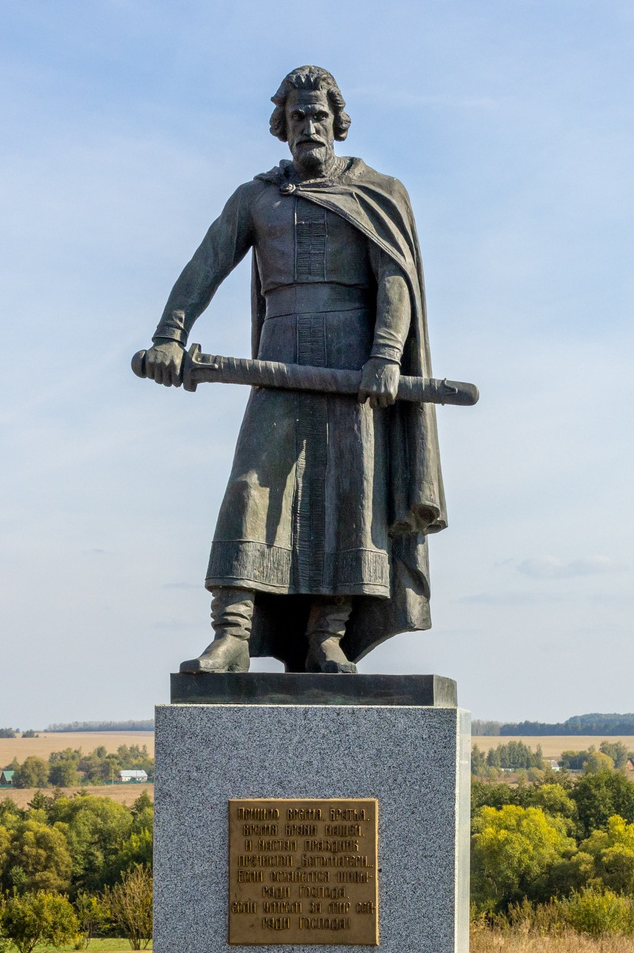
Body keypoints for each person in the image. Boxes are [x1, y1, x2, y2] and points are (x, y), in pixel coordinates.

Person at [140, 65, 447, 675]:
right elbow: (205, 267)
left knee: (349, 496)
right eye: (298, 116)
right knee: (251, 486)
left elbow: (395, 277)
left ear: (338, 122)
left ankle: (327, 635)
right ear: (282, 126)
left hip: (353, 364)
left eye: (319, 116)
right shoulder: (256, 198)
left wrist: (387, 352)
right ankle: (232, 632)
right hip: (279, 358)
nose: (309, 126)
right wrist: (170, 337)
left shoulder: (378, 192)